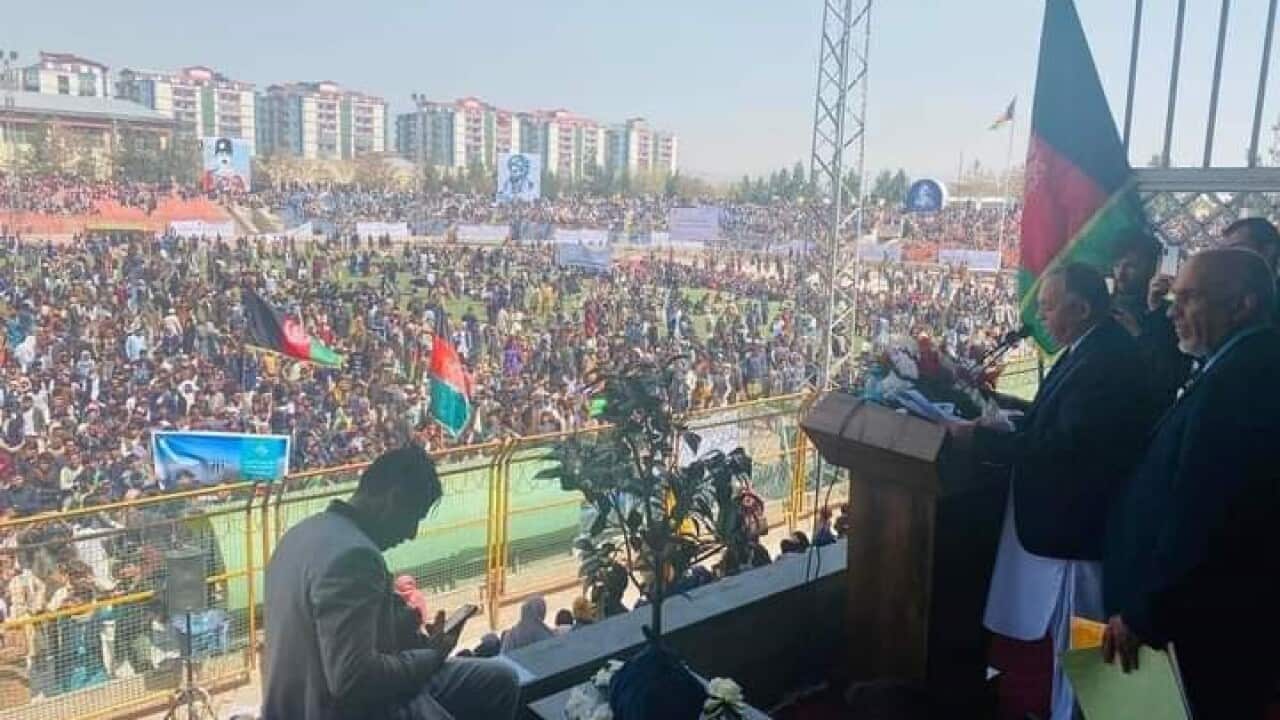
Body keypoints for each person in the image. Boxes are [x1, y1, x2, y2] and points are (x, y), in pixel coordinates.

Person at [949, 263, 1160, 720]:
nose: (1040, 316)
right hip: (1073, 527)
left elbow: (1069, 444)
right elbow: (1059, 420)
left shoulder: (1107, 360)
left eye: (1047, 305)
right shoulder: (1091, 347)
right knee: (1073, 652)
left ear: (1081, 308)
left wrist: (983, 436)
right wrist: (1012, 418)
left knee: (1085, 649)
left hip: (1080, 532)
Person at [1102, 249, 1280, 718]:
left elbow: (1202, 515)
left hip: (1203, 632)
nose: (1173, 311)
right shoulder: (1235, 366)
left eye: (1190, 298)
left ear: (1242, 305)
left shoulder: (1243, 381)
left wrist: (1144, 614)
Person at [262, 444, 519, 720]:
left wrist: (402, 630)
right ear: (394, 500)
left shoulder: (304, 533)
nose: (411, 534)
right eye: (414, 518)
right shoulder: (354, 556)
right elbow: (355, 681)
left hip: (295, 701)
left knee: (499, 678)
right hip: (332, 709)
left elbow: (328, 635)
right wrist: (433, 655)